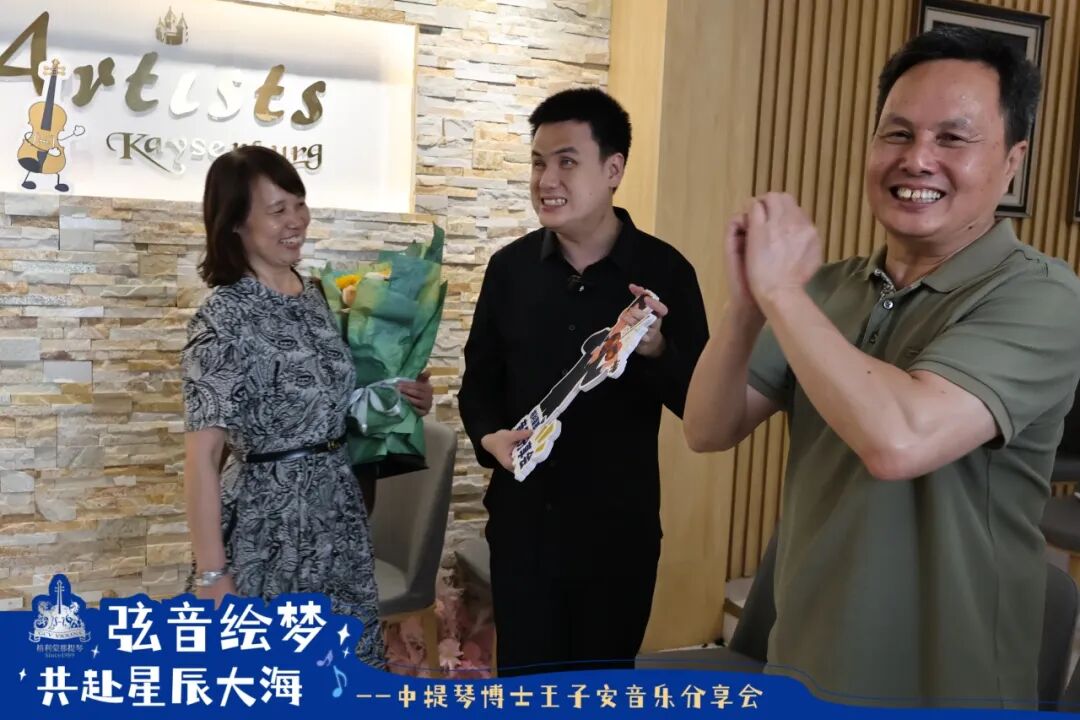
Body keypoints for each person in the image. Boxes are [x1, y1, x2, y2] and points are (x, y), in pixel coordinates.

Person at [684, 26, 1080, 707]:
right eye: (897, 134)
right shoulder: (825, 289)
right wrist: (747, 307)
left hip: (951, 687)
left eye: (952, 138)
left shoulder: (1045, 296)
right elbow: (708, 427)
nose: (917, 159)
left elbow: (900, 440)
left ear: (1013, 161)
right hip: (805, 667)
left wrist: (782, 296)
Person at [458, 88, 709, 675]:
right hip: (524, 528)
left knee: (602, 690)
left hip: (617, 534)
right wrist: (490, 437)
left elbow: (700, 403)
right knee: (525, 687)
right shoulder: (509, 269)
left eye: (567, 161)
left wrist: (657, 349)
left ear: (613, 170)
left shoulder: (665, 271)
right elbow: (478, 384)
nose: (546, 180)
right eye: (538, 163)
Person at [181, 145, 430, 667]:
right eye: (278, 210)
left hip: (339, 513)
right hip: (267, 523)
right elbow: (202, 460)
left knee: (346, 669)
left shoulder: (315, 293)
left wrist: (396, 397)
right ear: (235, 223)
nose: (296, 221)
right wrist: (213, 575)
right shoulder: (222, 317)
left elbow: (327, 405)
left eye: (299, 204)